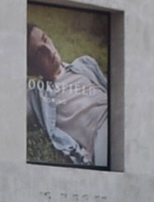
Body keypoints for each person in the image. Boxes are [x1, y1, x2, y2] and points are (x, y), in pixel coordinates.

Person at [25, 25, 110, 168]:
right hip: (99, 133)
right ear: (32, 69)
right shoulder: (37, 97)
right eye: (40, 53)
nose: (48, 49)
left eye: (45, 39)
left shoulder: (85, 64)